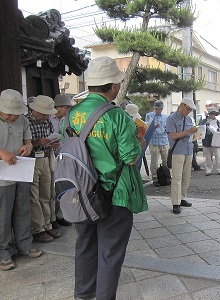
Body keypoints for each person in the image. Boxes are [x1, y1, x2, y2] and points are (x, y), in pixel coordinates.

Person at [68, 56, 147, 300]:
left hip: (79, 191)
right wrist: (140, 139)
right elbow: (131, 158)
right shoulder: (118, 117)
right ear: (113, 86)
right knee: (110, 251)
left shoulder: (70, 114)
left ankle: (83, 293)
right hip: (115, 194)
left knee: (85, 243)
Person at [0, 89, 42, 271]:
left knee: (24, 209)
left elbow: (29, 141)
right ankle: (3, 252)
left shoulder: (23, 120)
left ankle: (25, 244)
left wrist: (28, 146)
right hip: (2, 176)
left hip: (21, 171)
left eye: (16, 113)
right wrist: (1, 153)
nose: (13, 117)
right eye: (9, 113)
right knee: (3, 214)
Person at [26, 95, 62, 243]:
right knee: (34, 196)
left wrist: (51, 143)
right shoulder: (26, 121)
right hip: (32, 159)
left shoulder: (47, 121)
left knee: (46, 194)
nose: (46, 116)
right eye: (43, 113)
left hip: (46, 157)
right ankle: (38, 229)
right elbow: (24, 143)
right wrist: (36, 142)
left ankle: (47, 224)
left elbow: (48, 138)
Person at [166, 97, 197, 214]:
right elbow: (173, 136)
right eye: (188, 109)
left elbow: (190, 134)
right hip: (178, 151)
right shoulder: (171, 118)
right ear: (182, 105)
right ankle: (175, 202)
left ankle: (183, 197)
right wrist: (188, 132)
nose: (188, 111)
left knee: (186, 176)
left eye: (190, 110)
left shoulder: (188, 119)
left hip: (188, 149)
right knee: (177, 177)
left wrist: (195, 133)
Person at [49, 93, 73, 229]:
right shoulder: (50, 119)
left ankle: (60, 215)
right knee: (51, 189)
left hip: (63, 155)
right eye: (66, 107)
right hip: (51, 155)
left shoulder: (65, 119)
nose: (67, 110)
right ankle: (52, 218)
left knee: (62, 186)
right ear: (59, 107)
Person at [145, 100, 169, 187]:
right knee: (154, 161)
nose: (159, 110)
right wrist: (153, 126)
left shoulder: (165, 116)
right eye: (158, 109)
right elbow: (146, 127)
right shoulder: (149, 115)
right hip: (154, 141)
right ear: (155, 108)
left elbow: (167, 127)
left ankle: (166, 175)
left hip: (164, 140)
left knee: (165, 160)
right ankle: (155, 178)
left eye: (161, 109)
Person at [199, 108, 220, 175]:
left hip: (215, 139)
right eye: (211, 114)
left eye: (214, 114)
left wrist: (218, 131)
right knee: (208, 156)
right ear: (209, 114)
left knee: (217, 155)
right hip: (207, 139)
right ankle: (208, 170)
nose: (213, 115)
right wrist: (205, 124)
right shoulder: (204, 121)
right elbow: (199, 127)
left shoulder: (217, 121)